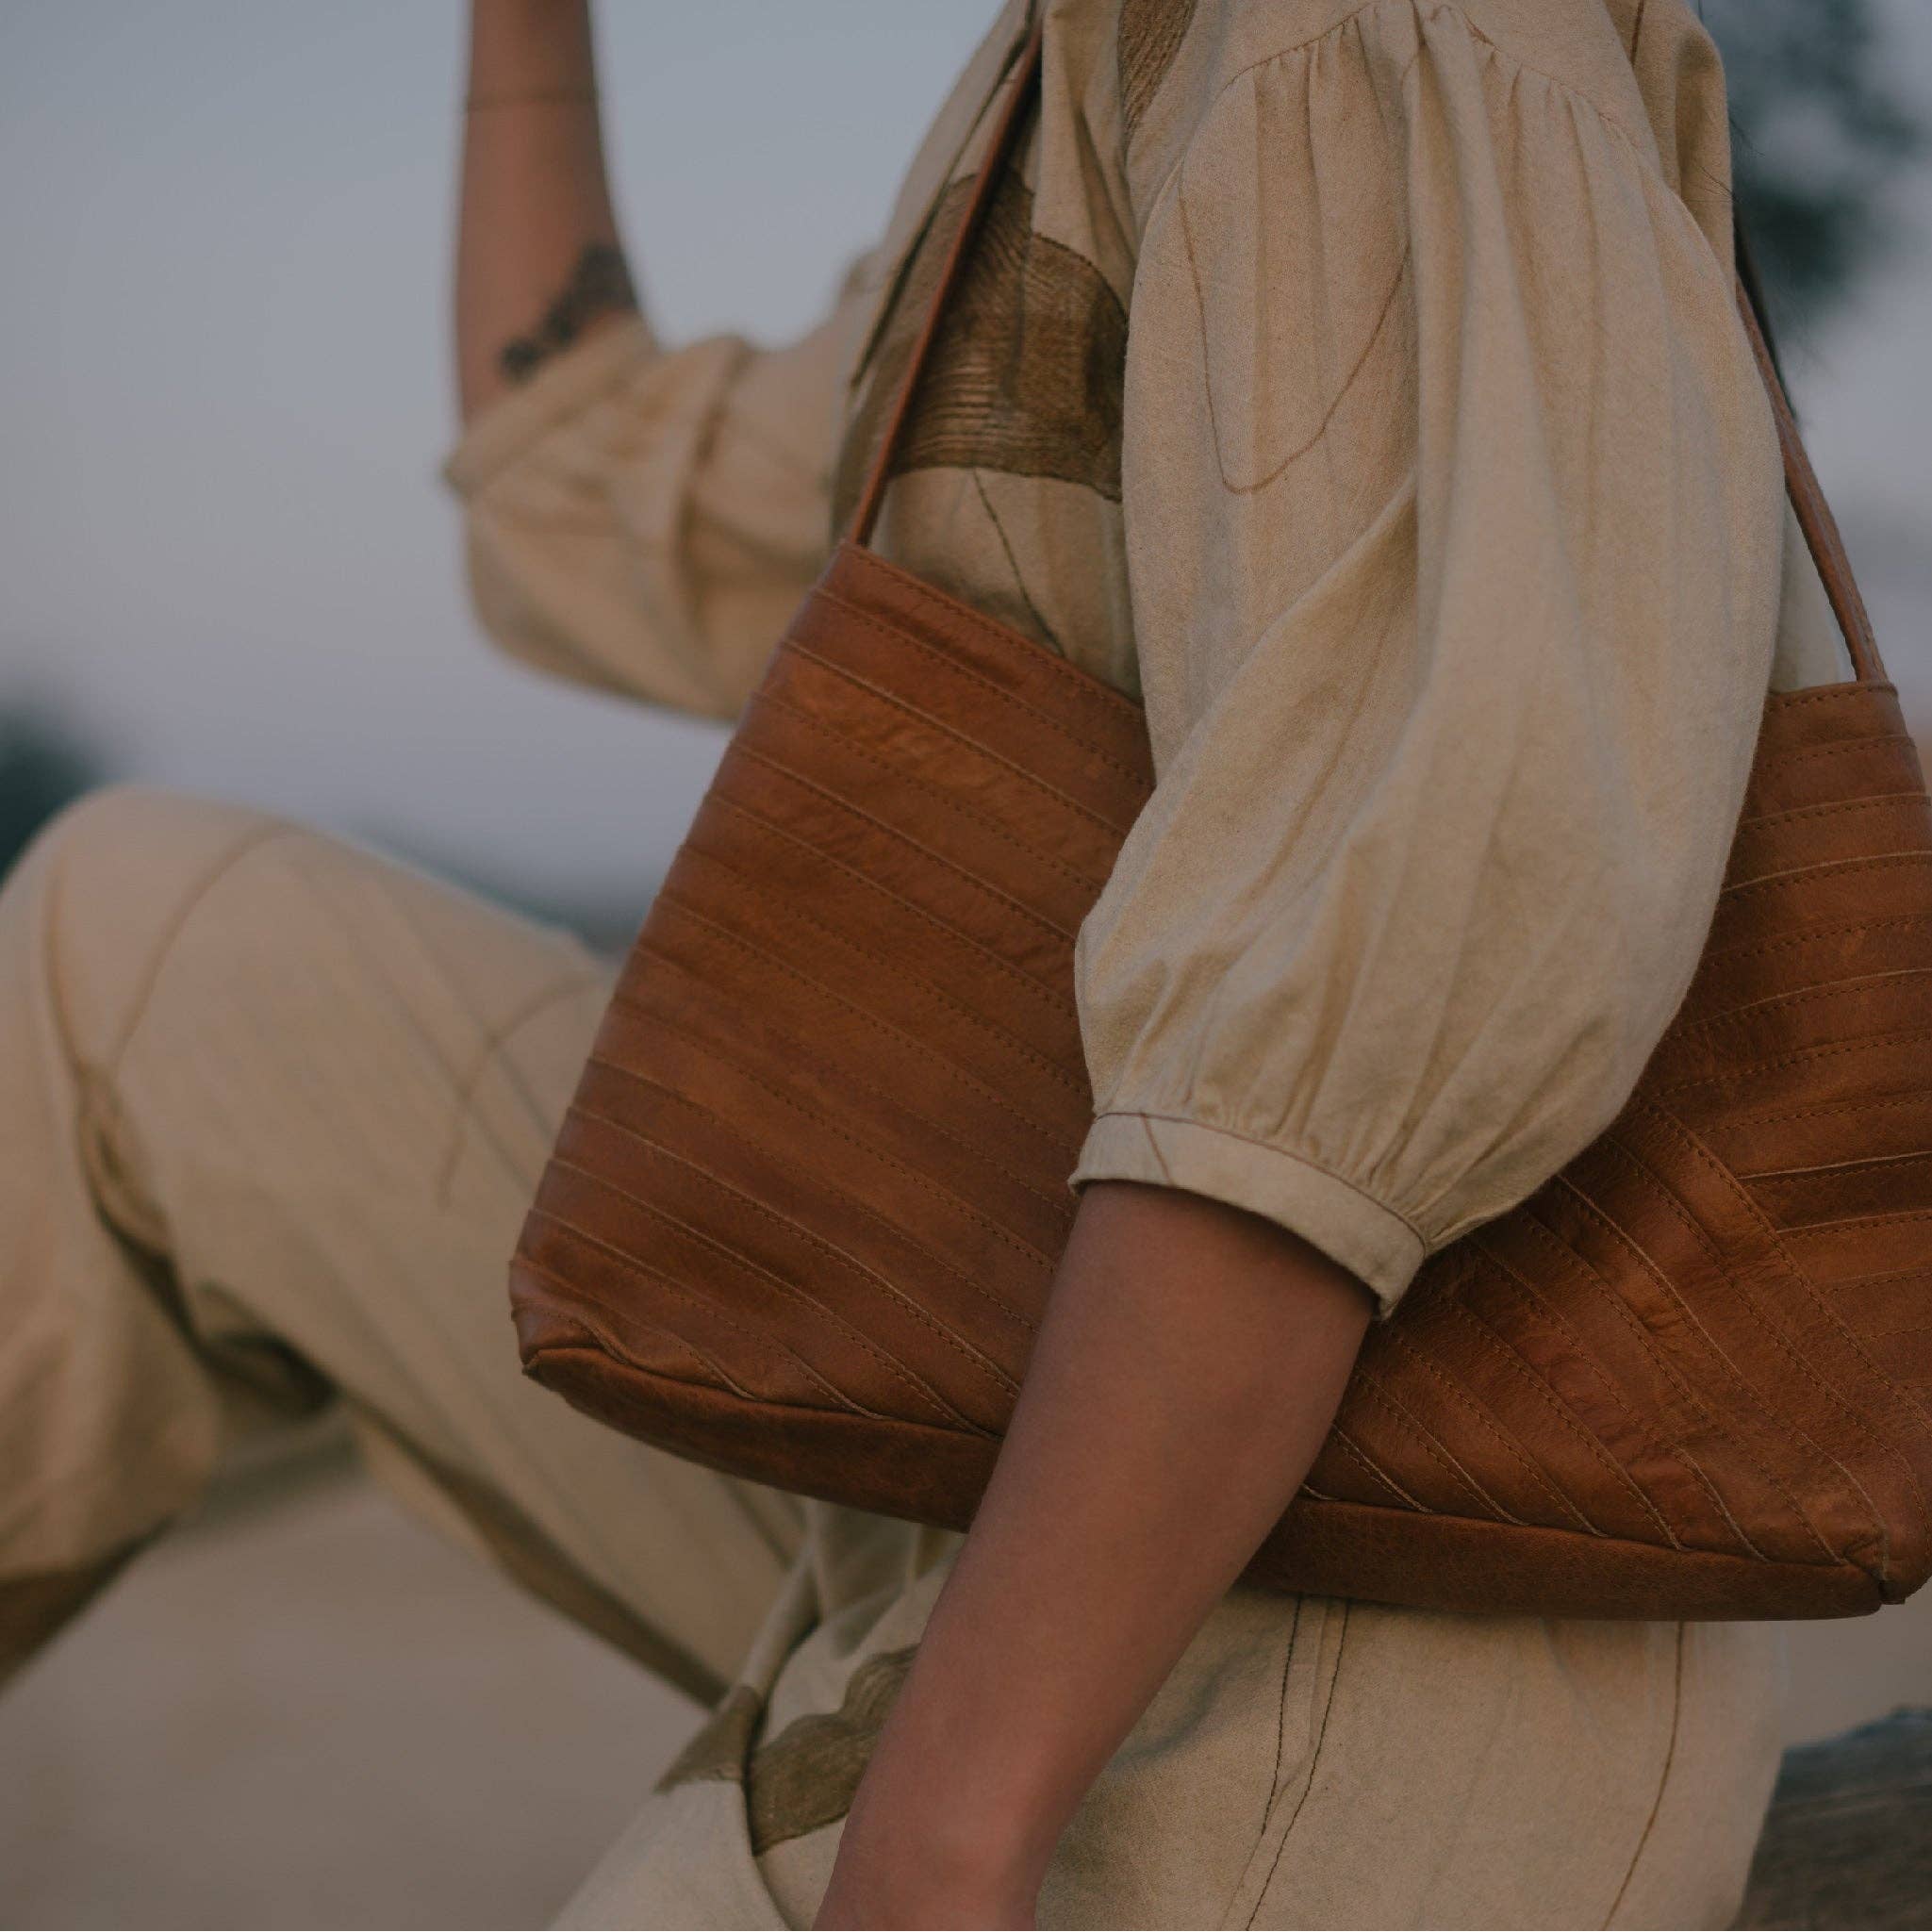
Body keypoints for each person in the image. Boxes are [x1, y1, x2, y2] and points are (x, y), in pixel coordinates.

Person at [1, 0, 1862, 1923]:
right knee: (131, 936)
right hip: (981, 1390)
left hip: (1369, 1585)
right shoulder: (1056, 88)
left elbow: (1410, 954)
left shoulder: (1344, 30)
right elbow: (582, 484)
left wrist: (945, 1828)